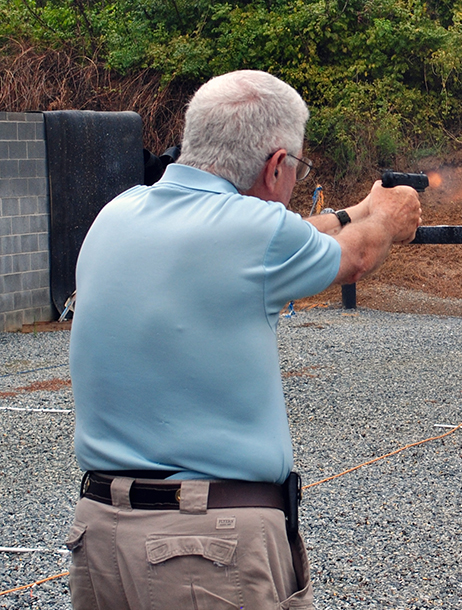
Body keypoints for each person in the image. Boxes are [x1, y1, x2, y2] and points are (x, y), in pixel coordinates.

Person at [65, 69, 421, 609]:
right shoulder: (254, 233)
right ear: (276, 164)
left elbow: (276, 230)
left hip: (102, 534)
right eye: (294, 168)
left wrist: (355, 211)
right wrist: (389, 220)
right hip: (203, 547)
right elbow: (358, 256)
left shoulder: (119, 213)